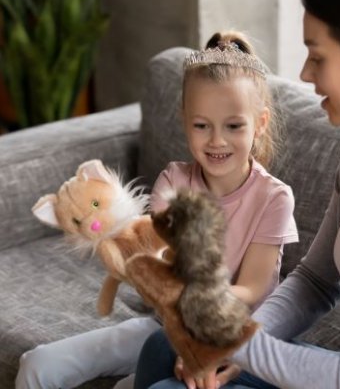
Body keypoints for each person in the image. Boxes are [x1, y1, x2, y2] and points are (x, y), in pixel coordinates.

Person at [135, 0, 340, 388]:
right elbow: (315, 279)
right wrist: (236, 344)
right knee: (161, 348)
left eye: (318, 56)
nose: (305, 73)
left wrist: (234, 343)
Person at [15, 30, 298, 389]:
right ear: (184, 121)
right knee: (37, 364)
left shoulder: (274, 198)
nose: (216, 140)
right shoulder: (174, 181)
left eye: (233, 126)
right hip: (166, 324)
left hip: (233, 336)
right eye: (201, 125)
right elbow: (157, 256)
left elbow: (253, 289)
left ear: (260, 123)